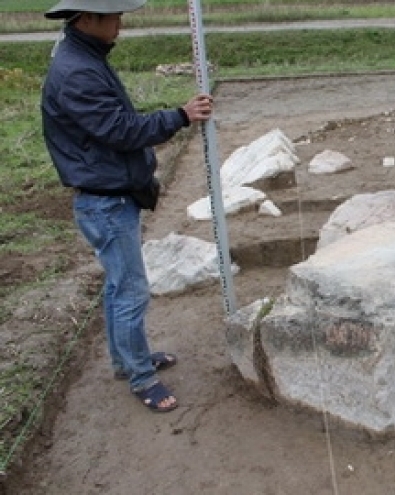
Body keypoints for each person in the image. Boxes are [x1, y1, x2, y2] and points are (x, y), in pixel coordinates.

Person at [41, 0, 214, 413]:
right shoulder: (78, 71)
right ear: (85, 19)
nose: (120, 24)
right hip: (105, 198)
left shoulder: (83, 56)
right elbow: (119, 129)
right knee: (131, 290)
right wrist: (180, 116)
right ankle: (141, 377)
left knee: (120, 286)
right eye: (113, 16)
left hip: (109, 192)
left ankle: (128, 359)